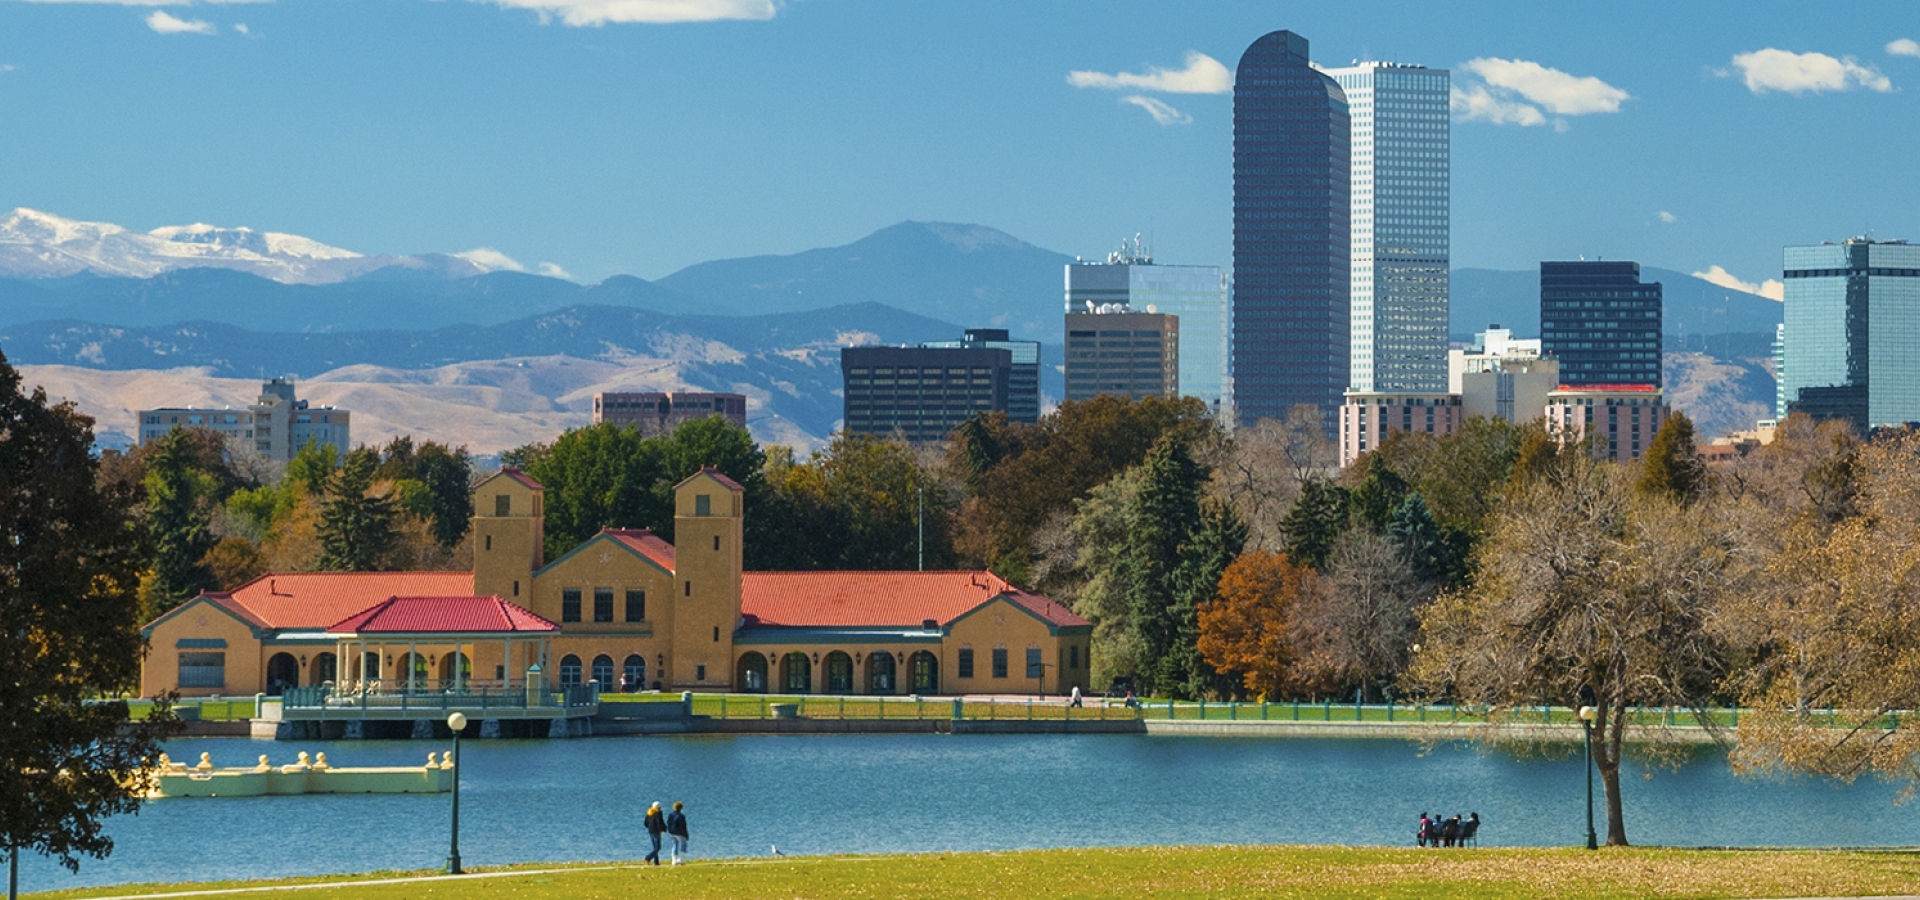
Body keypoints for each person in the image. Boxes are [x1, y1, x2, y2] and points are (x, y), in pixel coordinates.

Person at [643, 801, 666, 865]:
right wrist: (663, 829)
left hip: (651, 831)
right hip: (656, 831)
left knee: (655, 847)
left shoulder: (649, 813)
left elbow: (645, 823)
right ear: (658, 807)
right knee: (658, 847)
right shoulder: (658, 813)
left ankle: (656, 862)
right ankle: (648, 858)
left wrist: (650, 827)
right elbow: (659, 822)